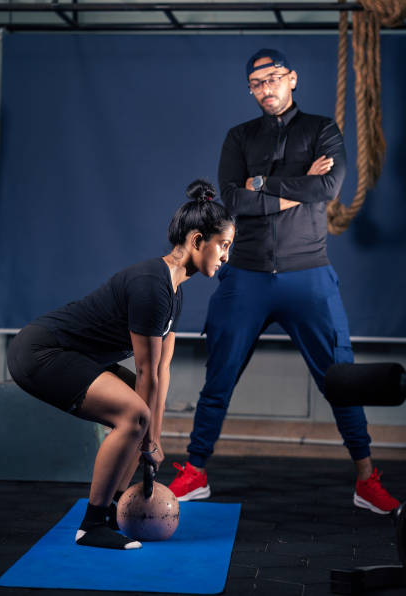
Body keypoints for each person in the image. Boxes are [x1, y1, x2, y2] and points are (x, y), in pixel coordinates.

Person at [168, 49, 400, 515]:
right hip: (245, 277)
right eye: (257, 83)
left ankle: (366, 479)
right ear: (251, 90)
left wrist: (263, 184)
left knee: (343, 379)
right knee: (219, 378)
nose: (266, 88)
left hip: (308, 275)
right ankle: (195, 472)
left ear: (292, 78)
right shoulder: (239, 137)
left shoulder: (323, 130)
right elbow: (231, 201)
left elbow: (328, 190)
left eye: (274, 78)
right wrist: (291, 184)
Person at [7, 179, 235, 550]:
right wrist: (146, 437)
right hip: (40, 352)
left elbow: (162, 372)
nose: (226, 256)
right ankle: (92, 525)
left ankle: (111, 512)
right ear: (197, 240)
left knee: (140, 416)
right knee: (134, 415)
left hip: (73, 357)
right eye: (223, 245)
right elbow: (145, 372)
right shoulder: (151, 285)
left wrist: (155, 441)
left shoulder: (173, 294)